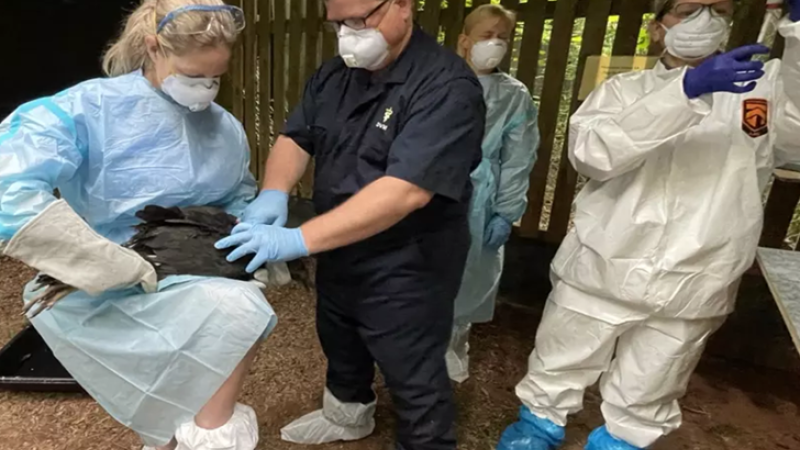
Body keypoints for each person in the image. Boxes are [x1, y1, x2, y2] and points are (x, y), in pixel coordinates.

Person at [497, 0, 800, 449]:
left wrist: (798, 26)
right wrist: (684, 93)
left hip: (695, 278)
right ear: (658, 29)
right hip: (603, 267)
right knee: (560, 363)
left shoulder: (763, 90)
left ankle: (620, 442)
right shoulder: (623, 90)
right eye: (689, 8)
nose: (705, 19)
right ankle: (536, 429)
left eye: (718, 8)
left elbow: (796, 136)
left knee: (651, 387)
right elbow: (594, 154)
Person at [0, 1, 279, 449]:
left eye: (215, 78)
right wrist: (93, 259)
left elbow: (235, 195)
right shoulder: (88, 109)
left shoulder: (224, 127)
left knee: (238, 312)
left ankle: (211, 435)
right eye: (193, 76)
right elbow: (6, 184)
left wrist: (254, 229)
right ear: (154, 48)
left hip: (191, 268)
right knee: (153, 382)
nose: (205, 90)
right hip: (102, 280)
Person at [213, 0, 486, 448]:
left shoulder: (445, 86)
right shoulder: (335, 75)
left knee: (410, 363)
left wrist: (298, 238)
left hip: (408, 257)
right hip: (338, 240)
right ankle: (346, 416)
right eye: (338, 23)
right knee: (340, 334)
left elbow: (405, 191)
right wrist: (274, 192)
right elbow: (296, 136)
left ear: (403, 6)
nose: (349, 33)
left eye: (361, 19)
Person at [443, 4, 540, 384]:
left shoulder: (513, 95)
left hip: (480, 197)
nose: (495, 44)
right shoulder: (438, 82)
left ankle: (454, 345)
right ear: (464, 41)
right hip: (433, 191)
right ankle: (419, 343)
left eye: (503, 37)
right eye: (486, 35)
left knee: (471, 274)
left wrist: (506, 210)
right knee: (426, 272)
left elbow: (518, 156)